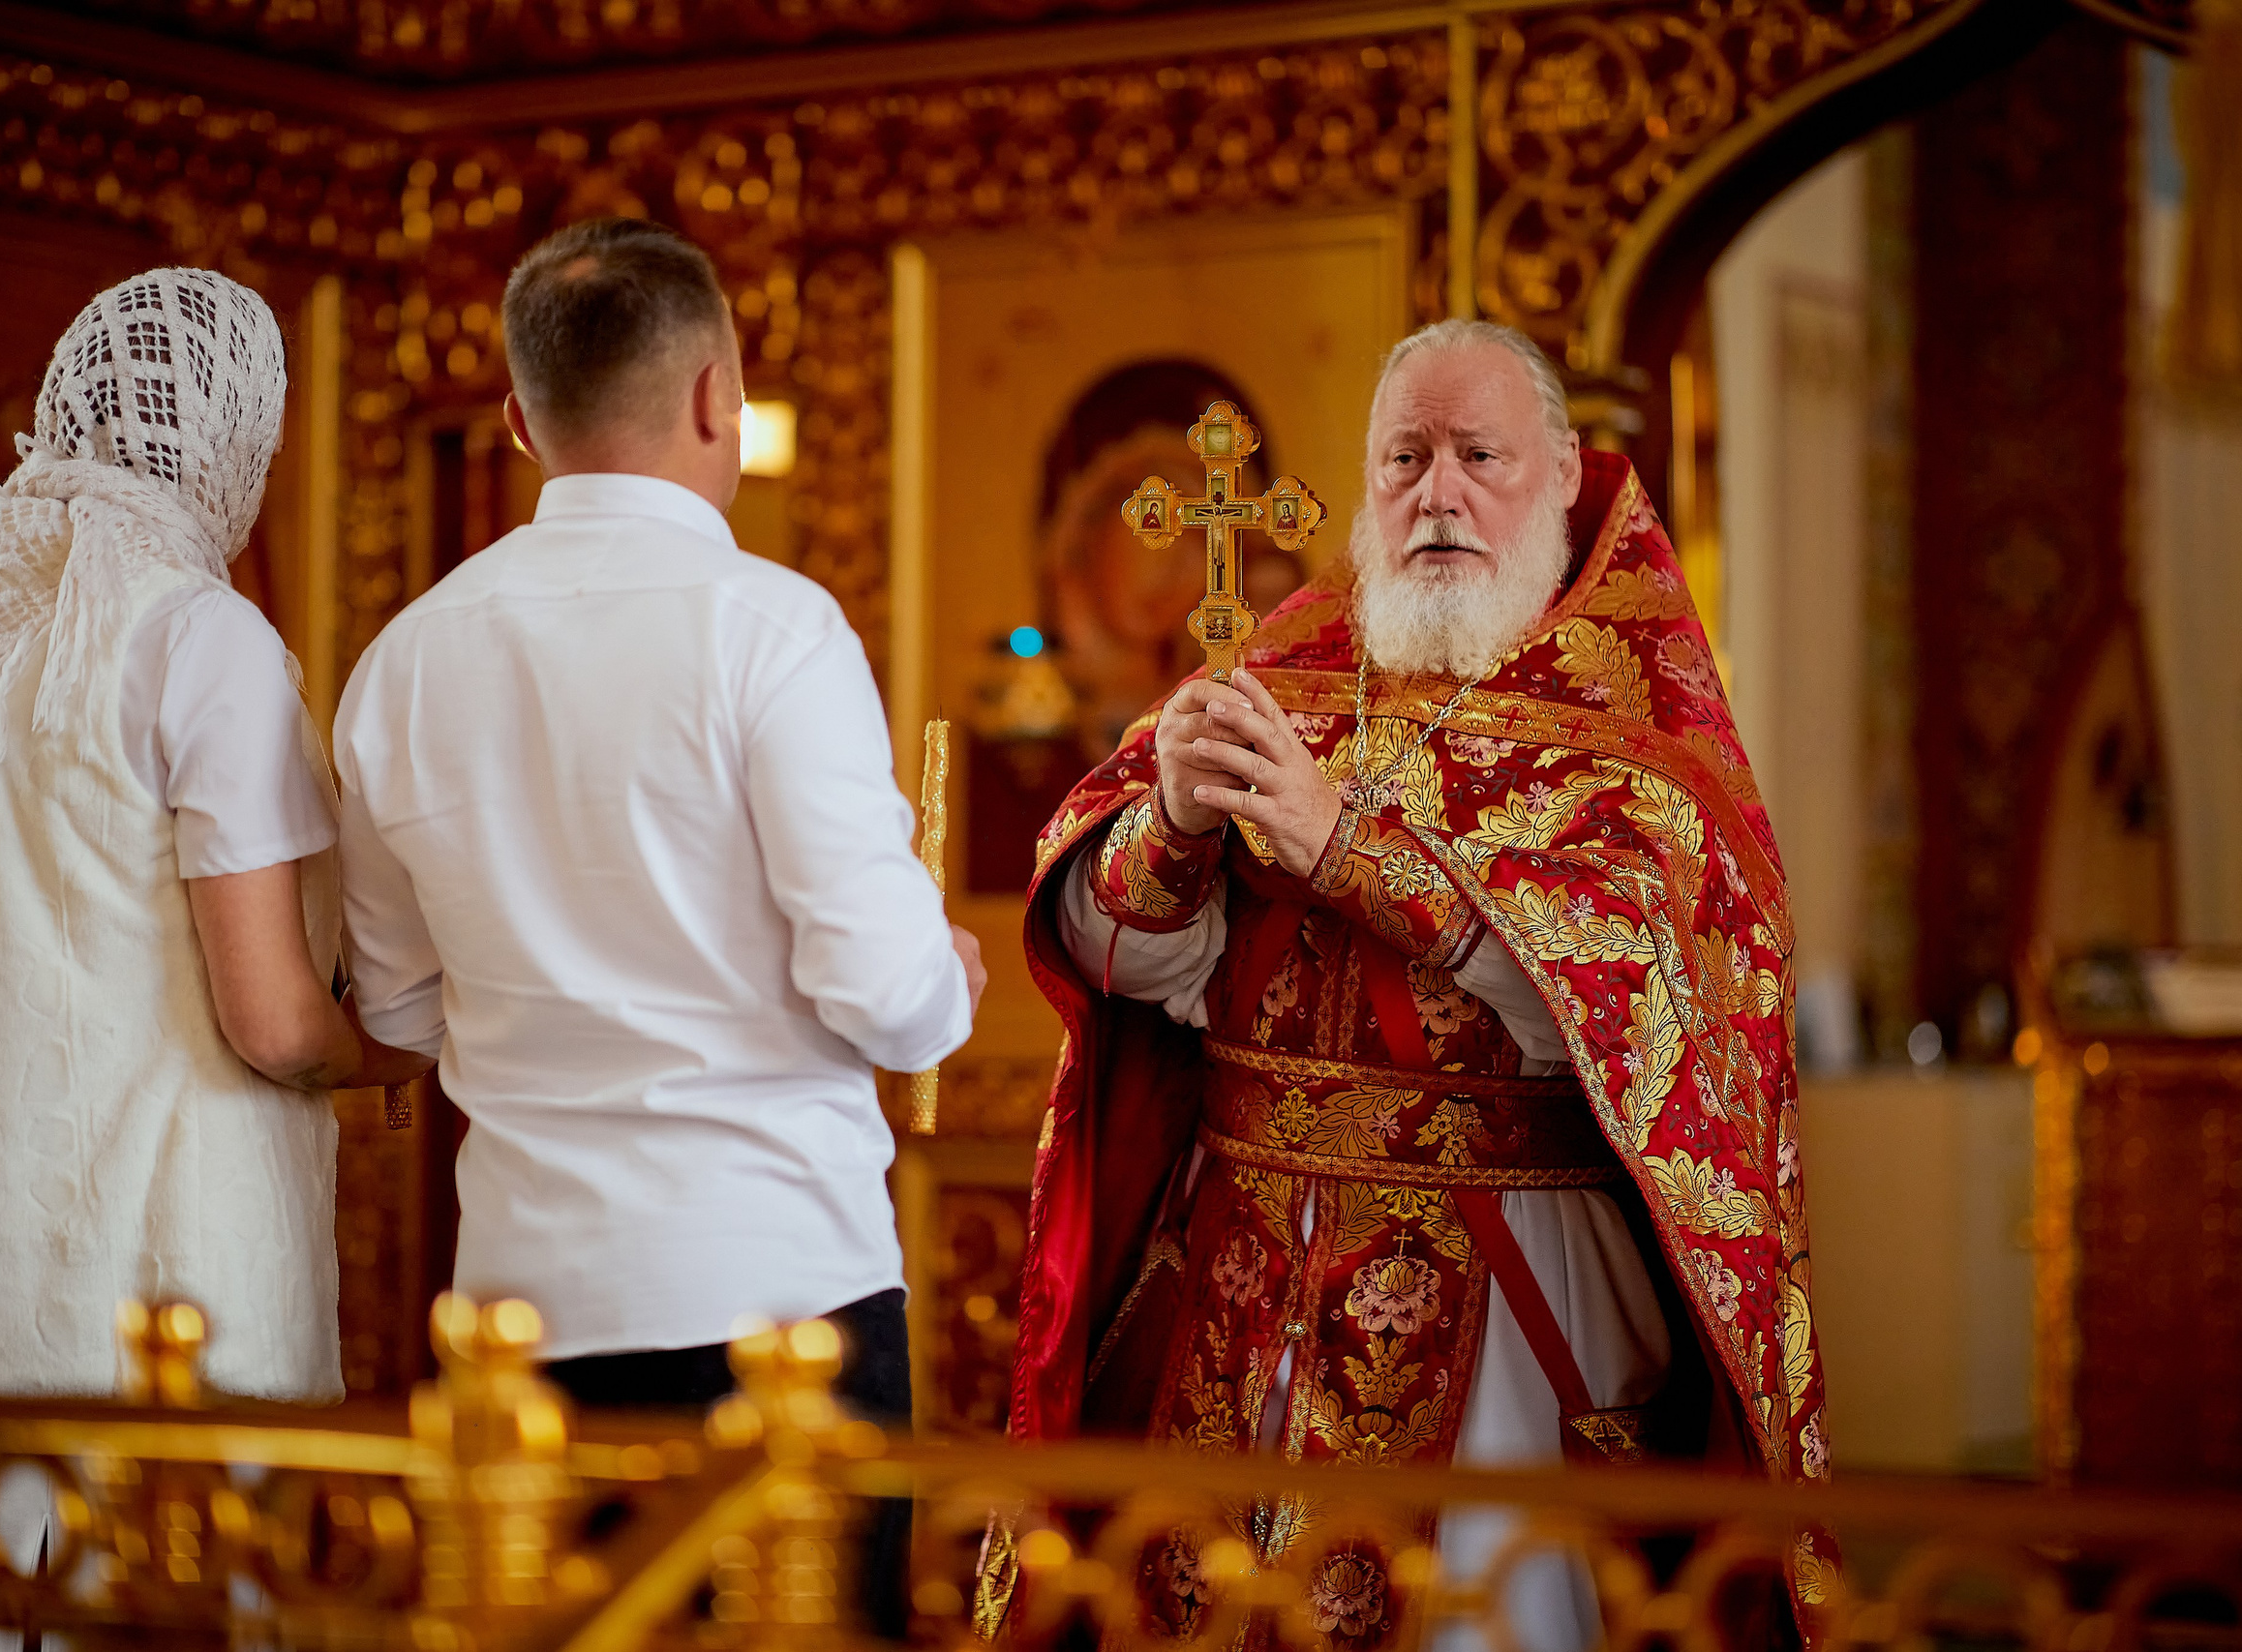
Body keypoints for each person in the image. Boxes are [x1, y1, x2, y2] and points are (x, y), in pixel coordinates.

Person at [1002, 319, 1832, 1646]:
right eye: (1404, 457)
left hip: (1504, 1302)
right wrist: (1168, 820)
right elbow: (1141, 974)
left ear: (1562, 472)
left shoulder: (1638, 747)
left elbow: (1641, 1030)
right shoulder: (1278, 677)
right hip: (1244, 1291)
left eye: (1477, 454)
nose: (1436, 492)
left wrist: (1351, 853)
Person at [333, 219, 980, 1444]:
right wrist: (944, 974)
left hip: (520, 1320)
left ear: (520, 427)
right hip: (778, 1302)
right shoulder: (773, 632)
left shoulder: (403, 663)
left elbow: (399, 1016)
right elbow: (894, 1004)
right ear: (715, 394)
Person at [0, 268, 422, 1647]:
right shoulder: (197, 635)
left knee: (23, 1619)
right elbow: (275, 1020)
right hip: (182, 1263)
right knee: (203, 1616)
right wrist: (384, 1048)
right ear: (224, 435)